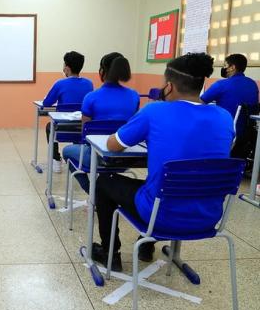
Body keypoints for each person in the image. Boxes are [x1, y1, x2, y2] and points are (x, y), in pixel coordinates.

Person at [93, 53, 234, 272]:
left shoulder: (154, 110)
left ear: (169, 86)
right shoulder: (224, 117)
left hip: (160, 215)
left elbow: (113, 145)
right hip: (209, 217)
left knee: (104, 182)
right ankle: (147, 246)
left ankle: (110, 253)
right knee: (168, 184)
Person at [62, 52, 139, 191]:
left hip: (96, 156)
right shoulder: (134, 96)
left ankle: (93, 193)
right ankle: (105, 190)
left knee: (66, 151)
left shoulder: (91, 97)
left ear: (102, 72)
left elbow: (85, 134)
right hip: (125, 157)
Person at [43, 51, 93, 173]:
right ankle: (78, 156)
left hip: (63, 128)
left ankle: (56, 160)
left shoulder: (60, 83)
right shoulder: (89, 83)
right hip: (84, 129)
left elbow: (47, 103)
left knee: (50, 127)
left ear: (67, 68)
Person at [201, 53, 258, 136]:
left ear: (232, 67)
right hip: (248, 134)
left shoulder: (221, 84)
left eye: (225, 65)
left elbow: (201, 102)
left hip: (225, 132)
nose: (223, 68)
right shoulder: (252, 84)